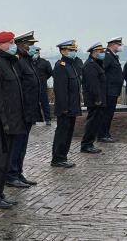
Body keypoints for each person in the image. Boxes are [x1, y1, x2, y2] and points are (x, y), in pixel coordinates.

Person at [0, 31, 24, 209]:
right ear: (0, 45)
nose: (13, 45)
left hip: (12, 121)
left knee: (5, 161)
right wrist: (3, 121)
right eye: (10, 42)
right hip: (2, 122)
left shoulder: (8, 62)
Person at [6, 31, 42, 188]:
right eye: (30, 45)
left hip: (29, 110)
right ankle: (11, 174)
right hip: (20, 111)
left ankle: (18, 172)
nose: (33, 48)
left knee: (22, 145)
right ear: (21, 45)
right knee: (16, 145)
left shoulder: (28, 61)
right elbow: (17, 88)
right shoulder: (18, 62)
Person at [51, 40, 81, 168]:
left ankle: (63, 156)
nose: (73, 52)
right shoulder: (61, 66)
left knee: (68, 133)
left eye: (74, 50)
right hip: (65, 108)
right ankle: (57, 158)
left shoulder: (71, 65)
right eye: (71, 50)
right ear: (63, 51)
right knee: (62, 133)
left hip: (72, 106)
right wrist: (63, 108)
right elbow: (61, 89)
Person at [80, 43, 107, 154]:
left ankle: (89, 143)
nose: (102, 54)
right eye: (100, 52)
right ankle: (86, 145)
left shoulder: (96, 63)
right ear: (93, 52)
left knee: (95, 122)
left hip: (98, 99)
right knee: (92, 123)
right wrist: (97, 98)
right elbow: (93, 85)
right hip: (95, 100)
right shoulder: (90, 65)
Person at [98, 37, 124, 143]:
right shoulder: (107, 56)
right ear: (113, 45)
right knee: (106, 114)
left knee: (109, 114)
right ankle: (102, 135)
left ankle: (106, 133)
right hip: (108, 91)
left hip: (113, 91)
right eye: (119, 44)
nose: (120, 47)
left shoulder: (113, 56)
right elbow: (102, 72)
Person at [33, 46, 53, 125]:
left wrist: (44, 79)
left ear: (39, 53)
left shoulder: (44, 62)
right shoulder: (28, 62)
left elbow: (50, 73)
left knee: (45, 103)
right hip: (32, 88)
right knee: (32, 104)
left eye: (37, 52)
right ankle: (33, 119)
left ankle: (47, 119)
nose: (35, 54)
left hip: (42, 87)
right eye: (34, 52)